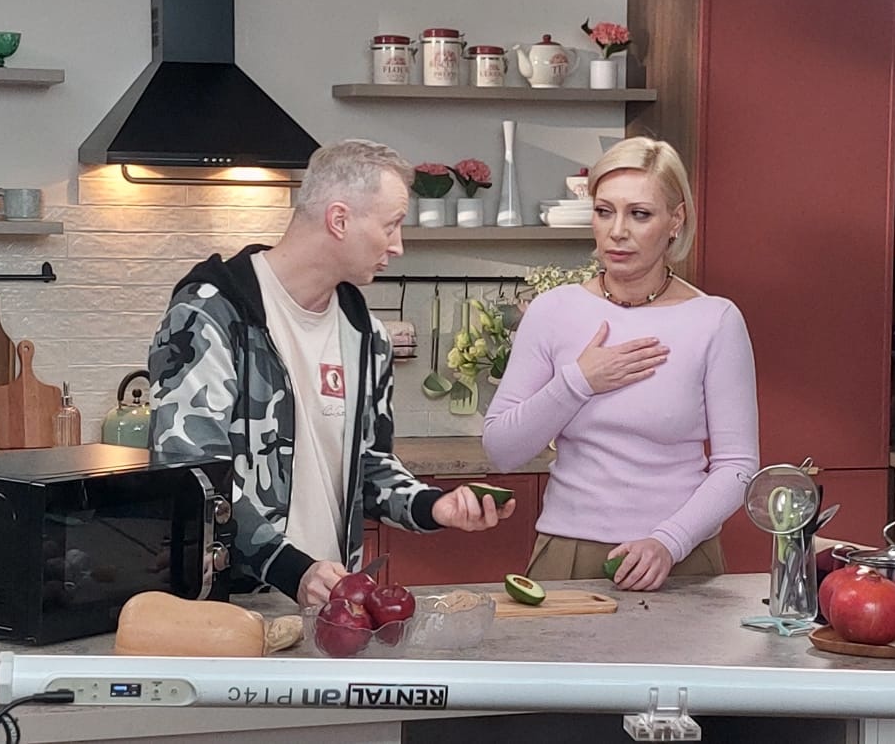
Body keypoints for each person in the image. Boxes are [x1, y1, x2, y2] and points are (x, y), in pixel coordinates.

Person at [149, 139, 516, 607]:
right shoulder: (209, 315)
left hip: (332, 606)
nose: (398, 246)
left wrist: (432, 505)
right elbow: (192, 473)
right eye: (391, 225)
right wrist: (292, 569)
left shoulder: (366, 336)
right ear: (339, 220)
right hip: (228, 608)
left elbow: (370, 465)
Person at [482, 136, 758, 591]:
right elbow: (501, 449)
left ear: (676, 220)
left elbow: (738, 465)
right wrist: (578, 381)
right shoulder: (553, 311)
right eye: (604, 211)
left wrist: (669, 541)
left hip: (680, 557)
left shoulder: (715, 320)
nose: (617, 231)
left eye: (640, 214)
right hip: (568, 553)